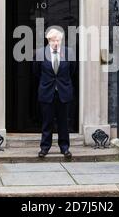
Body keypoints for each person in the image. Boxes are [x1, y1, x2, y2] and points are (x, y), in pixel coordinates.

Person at [33, 28, 76, 159]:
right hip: (47, 91)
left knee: (64, 122)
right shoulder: (40, 53)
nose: (56, 43)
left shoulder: (69, 52)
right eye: (53, 40)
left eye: (58, 40)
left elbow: (72, 70)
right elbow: (36, 72)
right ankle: (44, 148)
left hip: (63, 91)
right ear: (48, 41)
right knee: (47, 121)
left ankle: (65, 148)